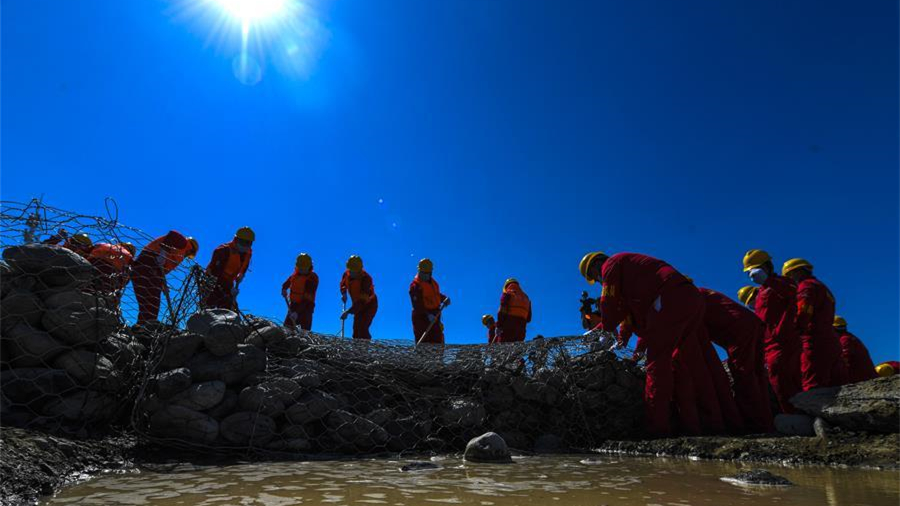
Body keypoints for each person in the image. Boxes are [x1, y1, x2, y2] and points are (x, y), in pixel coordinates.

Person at [580, 251, 725, 437]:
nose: (598, 281)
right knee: (689, 368)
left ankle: (657, 430)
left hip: (669, 299)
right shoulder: (632, 276)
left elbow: (608, 300)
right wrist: (608, 333)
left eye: (594, 277)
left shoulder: (611, 264)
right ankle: (708, 427)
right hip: (691, 300)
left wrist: (606, 329)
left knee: (657, 365)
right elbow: (625, 315)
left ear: (595, 266)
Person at [701, 287, 774, 433]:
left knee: (743, 375)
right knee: (758, 375)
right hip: (753, 325)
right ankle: (766, 422)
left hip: (738, 332)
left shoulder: (690, 296)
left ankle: (754, 425)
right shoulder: (703, 293)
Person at [742, 249, 802, 414]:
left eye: (755, 269)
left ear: (767, 266)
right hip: (769, 344)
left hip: (785, 341)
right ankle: (792, 416)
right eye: (749, 271)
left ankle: (800, 415)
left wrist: (769, 282)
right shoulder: (761, 291)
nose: (751, 274)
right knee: (779, 382)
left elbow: (794, 297)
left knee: (790, 379)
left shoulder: (783, 283)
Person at [782, 258, 848, 390]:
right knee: (837, 386)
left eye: (790, 275)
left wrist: (794, 331)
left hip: (814, 340)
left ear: (798, 272)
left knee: (813, 385)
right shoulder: (822, 287)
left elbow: (803, 312)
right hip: (831, 340)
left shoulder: (806, 286)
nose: (790, 280)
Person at [132, 231, 198, 324]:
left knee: (147, 300)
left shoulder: (180, 254)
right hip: (149, 262)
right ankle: (147, 325)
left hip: (145, 269)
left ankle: (142, 325)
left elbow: (162, 268)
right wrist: (163, 252)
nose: (187, 255)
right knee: (151, 300)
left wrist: (162, 283)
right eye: (190, 252)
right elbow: (173, 234)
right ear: (192, 249)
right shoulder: (184, 242)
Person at [203, 227, 254, 310]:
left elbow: (244, 267)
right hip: (212, 283)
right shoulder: (223, 250)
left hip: (228, 283)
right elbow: (215, 274)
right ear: (236, 239)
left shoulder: (247, 253)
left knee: (231, 310)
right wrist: (230, 290)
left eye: (248, 243)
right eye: (243, 242)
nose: (245, 245)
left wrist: (241, 275)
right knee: (211, 306)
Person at [409, 258, 450, 344]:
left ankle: (437, 353)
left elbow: (435, 295)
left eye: (426, 273)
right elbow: (417, 305)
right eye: (422, 272)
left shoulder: (433, 283)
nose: (423, 275)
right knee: (424, 342)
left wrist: (444, 299)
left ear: (430, 273)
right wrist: (427, 315)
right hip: (421, 317)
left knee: (437, 339)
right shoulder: (415, 286)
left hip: (435, 314)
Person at [340, 255, 378, 340]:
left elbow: (362, 302)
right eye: (351, 270)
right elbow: (343, 284)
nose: (353, 273)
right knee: (356, 329)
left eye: (355, 271)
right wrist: (344, 293)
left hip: (369, 305)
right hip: (357, 304)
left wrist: (348, 312)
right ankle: (356, 345)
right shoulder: (347, 274)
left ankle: (364, 346)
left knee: (362, 327)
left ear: (360, 269)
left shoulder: (366, 279)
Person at [833, 316, 877, 384]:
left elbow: (844, 360)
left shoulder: (845, 339)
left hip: (861, 379)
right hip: (865, 377)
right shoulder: (849, 337)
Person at [281, 253, 318, 330]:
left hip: (306, 307)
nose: (302, 270)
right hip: (293, 306)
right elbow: (288, 282)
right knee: (287, 329)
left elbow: (307, 298)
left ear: (309, 267)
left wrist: (297, 312)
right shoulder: (295, 275)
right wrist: (284, 289)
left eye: (304, 268)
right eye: (300, 268)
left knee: (304, 331)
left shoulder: (312, 278)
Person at [495, 278, 531, 343]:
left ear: (506, 286)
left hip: (507, 329)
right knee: (517, 349)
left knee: (502, 348)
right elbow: (528, 319)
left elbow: (502, 311)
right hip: (521, 331)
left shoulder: (507, 293)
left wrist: (498, 326)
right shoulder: (527, 298)